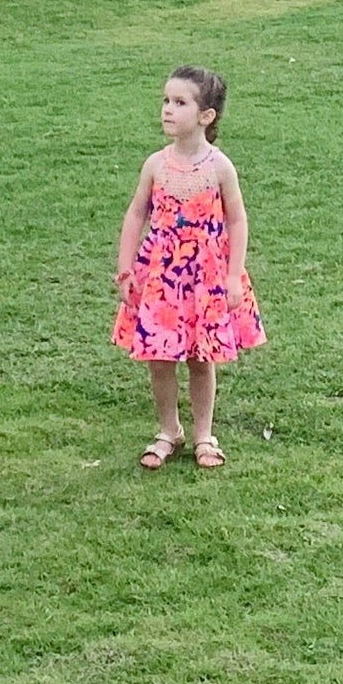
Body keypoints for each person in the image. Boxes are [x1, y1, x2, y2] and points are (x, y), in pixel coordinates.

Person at [112, 65, 260, 471]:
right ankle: (168, 431)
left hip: (204, 279)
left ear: (206, 116)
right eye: (166, 100)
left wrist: (233, 275)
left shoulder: (220, 167)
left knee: (200, 356)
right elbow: (136, 213)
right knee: (159, 357)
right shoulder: (156, 164)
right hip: (160, 277)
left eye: (180, 103)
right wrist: (126, 269)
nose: (167, 109)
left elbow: (237, 220)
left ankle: (203, 435)